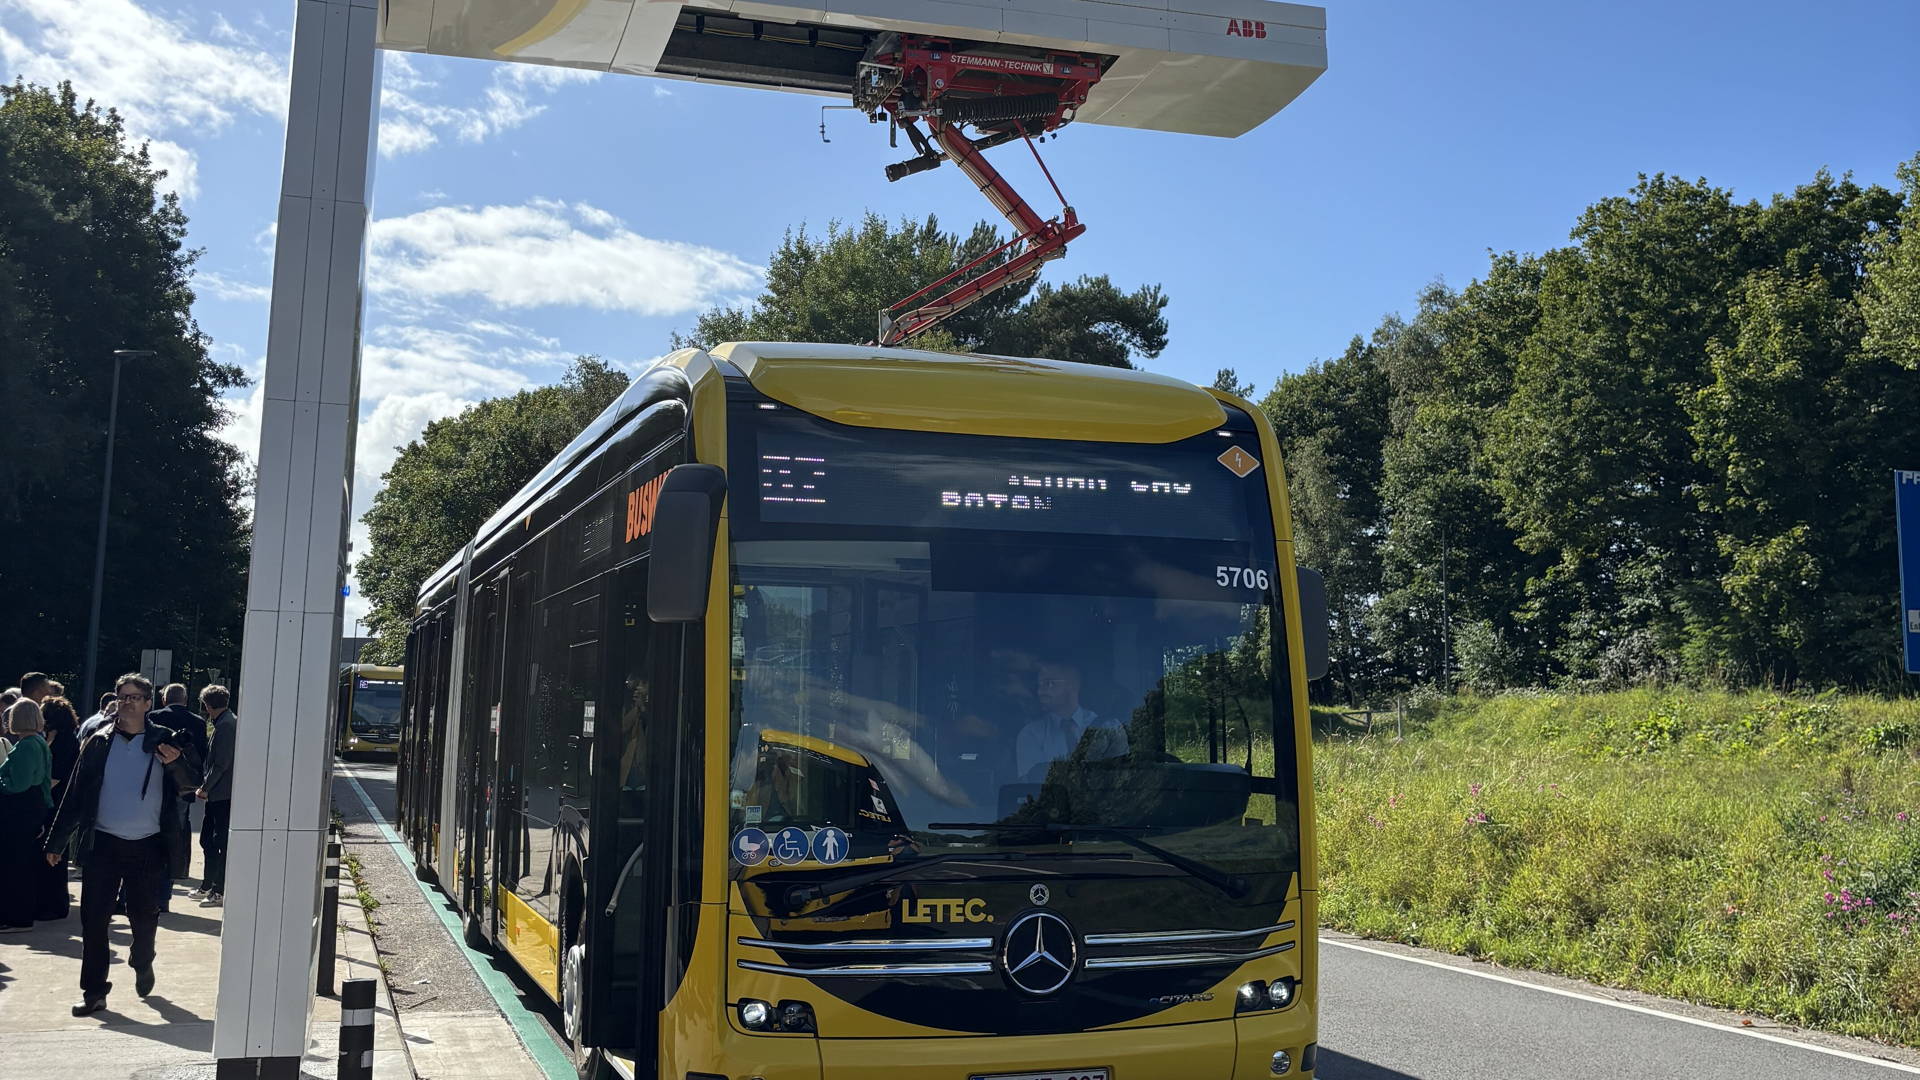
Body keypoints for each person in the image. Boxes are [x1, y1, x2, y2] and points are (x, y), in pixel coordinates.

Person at [43, 673, 202, 1015]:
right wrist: (57, 841)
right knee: (94, 920)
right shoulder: (98, 742)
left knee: (144, 919)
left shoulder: (164, 740)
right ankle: (94, 992)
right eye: (122, 697)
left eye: (134, 697)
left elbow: (191, 785)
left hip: (148, 845)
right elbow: (75, 794)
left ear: (148, 704)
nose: (127, 703)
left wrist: (174, 763)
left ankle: (142, 960)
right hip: (103, 843)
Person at [1013, 657, 1129, 781]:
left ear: (1072, 685)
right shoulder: (1031, 734)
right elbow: (1031, 787)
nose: (1040, 692)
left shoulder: (1109, 728)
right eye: (1039, 685)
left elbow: (1120, 780)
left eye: (1049, 683)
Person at [0, 688, 54, 931]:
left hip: (20, 810)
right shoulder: (39, 742)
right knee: (23, 864)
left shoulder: (26, 746)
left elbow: (17, 784)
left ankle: (17, 917)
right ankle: (20, 914)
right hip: (33, 807)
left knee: (15, 864)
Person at [190, 685, 235, 906]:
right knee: (209, 839)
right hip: (220, 793)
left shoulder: (226, 726)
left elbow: (221, 763)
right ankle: (209, 885)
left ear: (207, 705)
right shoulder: (225, 722)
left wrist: (205, 787)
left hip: (221, 793)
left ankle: (217, 889)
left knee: (217, 841)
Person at [37, 696, 82, 920]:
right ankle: (49, 901)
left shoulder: (65, 741)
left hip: (58, 800)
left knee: (53, 852)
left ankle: (55, 904)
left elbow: (56, 775)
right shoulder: (56, 738)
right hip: (53, 798)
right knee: (49, 854)